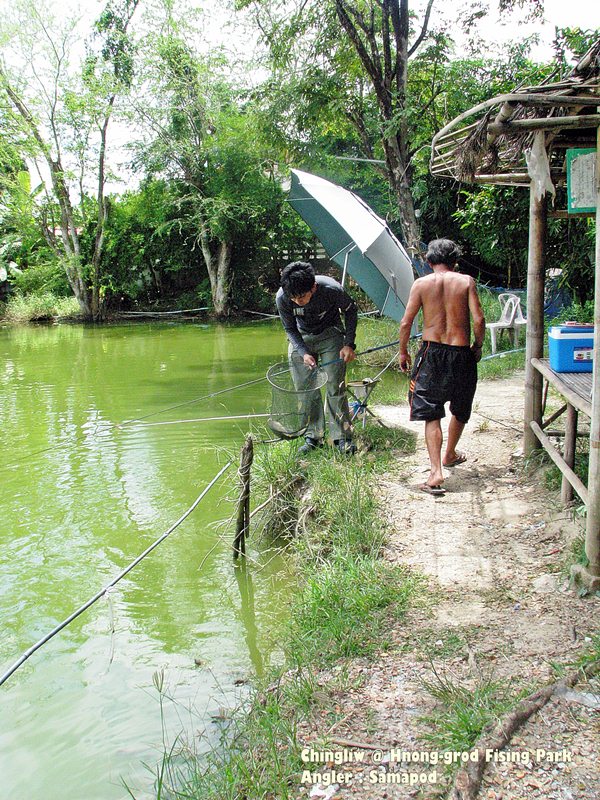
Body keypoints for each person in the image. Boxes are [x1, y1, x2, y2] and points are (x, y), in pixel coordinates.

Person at [398, 239, 485, 495]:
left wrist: (403, 351)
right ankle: (449, 454)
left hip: (432, 353)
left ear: (428, 262)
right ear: (455, 262)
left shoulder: (421, 284)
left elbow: (406, 323)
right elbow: (478, 319)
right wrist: (477, 346)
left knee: (431, 411)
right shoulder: (466, 281)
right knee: (460, 406)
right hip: (461, 353)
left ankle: (436, 472)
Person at [276, 261, 357, 455]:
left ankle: (342, 437)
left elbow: (351, 310)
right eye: (293, 298)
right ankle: (314, 436)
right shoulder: (282, 297)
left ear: (313, 287)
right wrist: (303, 352)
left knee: (335, 385)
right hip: (302, 338)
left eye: (301, 297)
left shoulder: (331, 289)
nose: (297, 301)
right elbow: (289, 328)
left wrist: (349, 344)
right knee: (305, 388)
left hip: (330, 334)